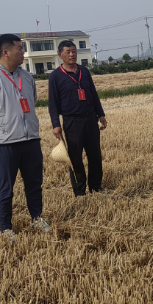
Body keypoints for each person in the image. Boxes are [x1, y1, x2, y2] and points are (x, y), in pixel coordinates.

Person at [0, 33, 51, 244]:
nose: (23, 52)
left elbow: (32, 100)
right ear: (5, 52)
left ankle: (36, 218)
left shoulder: (26, 76)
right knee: (5, 186)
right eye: (19, 48)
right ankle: (6, 228)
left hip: (31, 139)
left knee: (34, 183)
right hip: (6, 143)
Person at [48, 39, 107, 197]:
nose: (72, 54)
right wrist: (56, 124)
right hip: (71, 121)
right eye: (68, 52)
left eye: (74, 51)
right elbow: (52, 103)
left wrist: (101, 114)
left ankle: (95, 186)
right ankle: (80, 191)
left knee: (95, 155)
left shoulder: (84, 71)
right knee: (75, 158)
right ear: (60, 55)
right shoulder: (55, 76)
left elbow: (93, 94)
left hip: (90, 118)